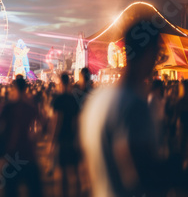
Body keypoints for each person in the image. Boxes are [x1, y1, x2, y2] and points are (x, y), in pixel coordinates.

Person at [80, 20, 179, 196]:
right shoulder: (133, 105)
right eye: (157, 51)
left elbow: (88, 168)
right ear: (150, 52)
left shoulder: (95, 101)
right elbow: (140, 176)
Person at [0, 76, 43, 197]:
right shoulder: (31, 108)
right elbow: (42, 126)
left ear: (14, 88)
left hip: (11, 153)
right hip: (28, 153)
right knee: (34, 191)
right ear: (26, 88)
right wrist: (34, 139)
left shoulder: (8, 107)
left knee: (10, 191)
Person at [52, 73, 82, 197]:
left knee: (62, 172)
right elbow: (77, 120)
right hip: (72, 136)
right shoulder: (74, 99)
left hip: (62, 137)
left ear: (60, 82)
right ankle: (78, 194)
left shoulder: (58, 99)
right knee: (75, 170)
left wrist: (53, 140)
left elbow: (57, 121)